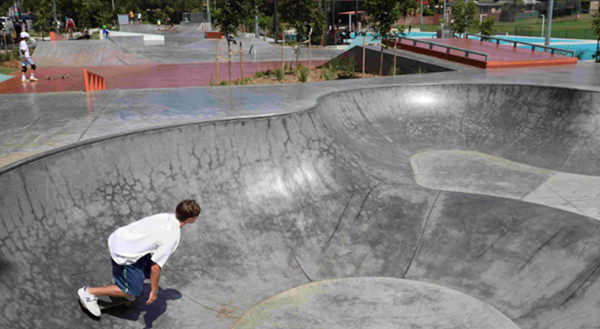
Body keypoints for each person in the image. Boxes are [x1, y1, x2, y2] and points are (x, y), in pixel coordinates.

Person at [78, 200, 202, 317]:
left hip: (120, 237)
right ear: (190, 219)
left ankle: (122, 280)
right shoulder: (172, 237)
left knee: (146, 272)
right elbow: (155, 267)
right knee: (134, 291)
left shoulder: (165, 216)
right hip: (123, 252)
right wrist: (154, 291)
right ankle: (88, 292)